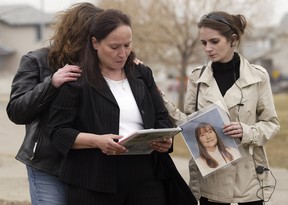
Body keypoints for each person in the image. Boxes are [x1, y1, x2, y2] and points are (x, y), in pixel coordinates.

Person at [48, 8, 197, 205]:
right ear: (95, 43)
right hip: (94, 180)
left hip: (146, 177)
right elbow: (58, 131)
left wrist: (165, 140)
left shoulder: (142, 74)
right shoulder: (77, 80)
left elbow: (161, 117)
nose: (122, 53)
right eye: (114, 47)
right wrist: (97, 141)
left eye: (127, 45)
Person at [6, 3, 103, 204]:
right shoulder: (36, 60)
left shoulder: (102, 65)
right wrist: (52, 83)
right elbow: (16, 111)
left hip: (90, 165)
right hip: (47, 164)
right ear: (79, 33)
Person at [184, 11, 280, 205]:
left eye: (214, 41)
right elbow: (188, 121)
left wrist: (247, 131)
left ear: (233, 39)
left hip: (249, 177)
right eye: (204, 43)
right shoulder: (196, 78)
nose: (208, 49)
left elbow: (271, 123)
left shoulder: (258, 76)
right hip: (212, 176)